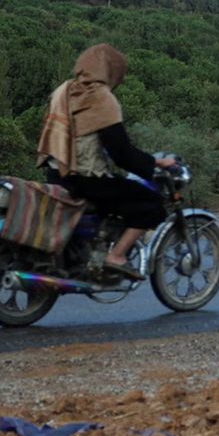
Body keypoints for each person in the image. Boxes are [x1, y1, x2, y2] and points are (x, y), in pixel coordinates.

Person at [35, 44, 175, 282]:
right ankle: (117, 256)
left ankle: (91, 252)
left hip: (56, 174)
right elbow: (122, 153)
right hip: (85, 179)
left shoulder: (64, 90)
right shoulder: (101, 97)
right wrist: (155, 164)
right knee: (151, 203)